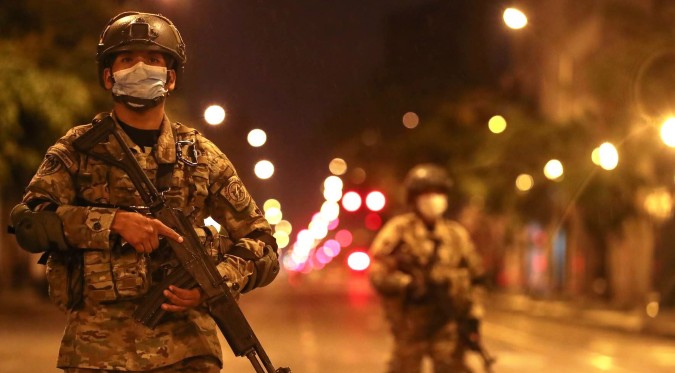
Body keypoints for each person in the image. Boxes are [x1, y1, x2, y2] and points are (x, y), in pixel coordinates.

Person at [9, 11, 281, 373]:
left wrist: (214, 283)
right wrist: (112, 222)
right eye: (127, 59)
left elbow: (262, 242)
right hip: (97, 352)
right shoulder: (78, 149)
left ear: (169, 79)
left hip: (187, 351)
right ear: (109, 76)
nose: (140, 67)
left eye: (152, 59)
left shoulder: (201, 155)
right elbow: (29, 223)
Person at [368, 164, 487, 373]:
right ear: (414, 198)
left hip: (448, 324)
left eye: (438, 193)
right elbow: (377, 271)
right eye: (427, 194)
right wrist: (408, 284)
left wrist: (473, 316)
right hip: (411, 324)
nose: (434, 200)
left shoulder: (455, 234)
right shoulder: (399, 230)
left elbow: (477, 278)